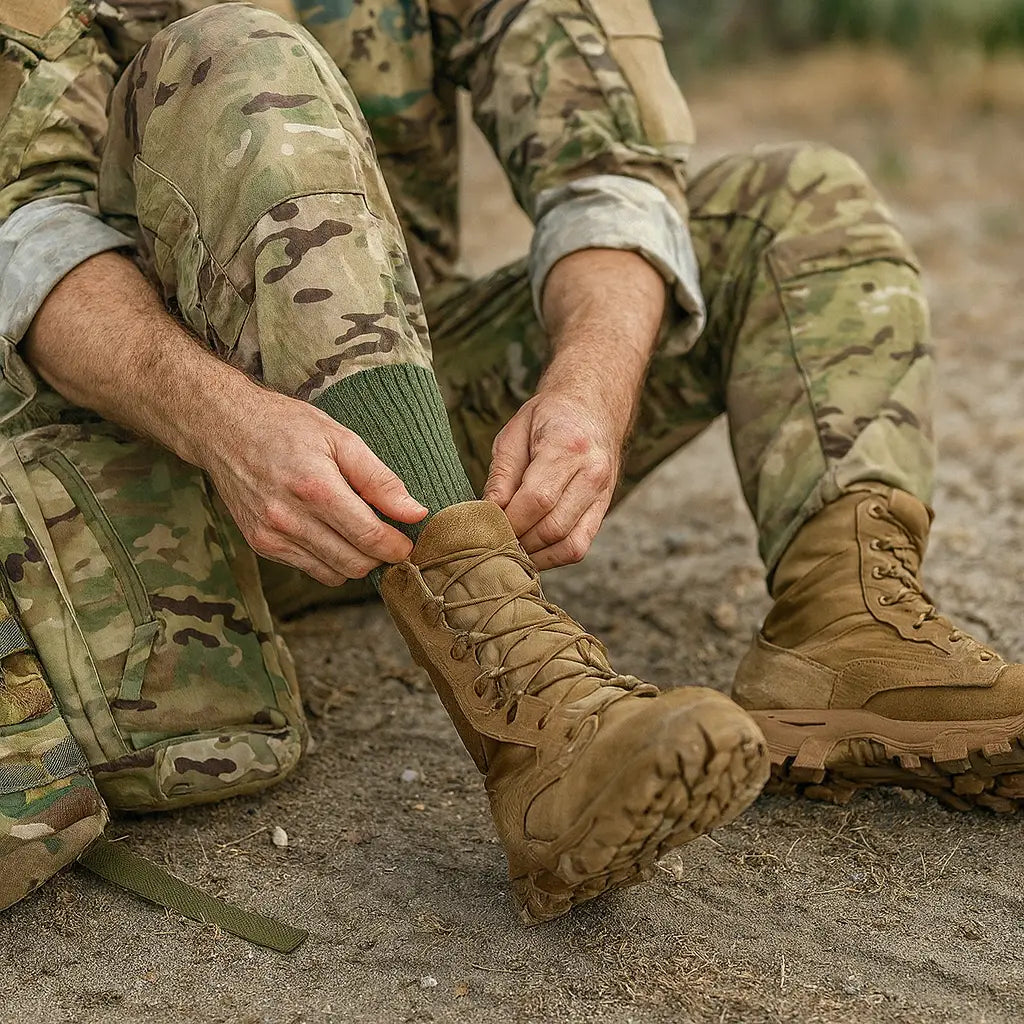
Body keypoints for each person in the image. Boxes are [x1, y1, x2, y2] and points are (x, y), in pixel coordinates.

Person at [0, 0, 1017, 929]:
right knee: (236, 52)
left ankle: (848, 635)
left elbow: (606, 169)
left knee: (791, 200)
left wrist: (590, 383)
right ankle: (531, 718)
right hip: (158, 456)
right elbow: (27, 238)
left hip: (389, 423)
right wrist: (224, 422)